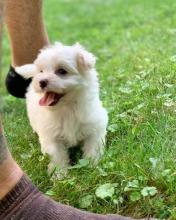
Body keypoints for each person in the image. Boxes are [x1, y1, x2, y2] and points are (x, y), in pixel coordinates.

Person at [0, 1, 152, 219]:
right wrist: (59, 167)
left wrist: (93, 157)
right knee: (52, 140)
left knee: (92, 133)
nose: (42, 79)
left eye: (61, 71)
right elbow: (49, 139)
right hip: (46, 121)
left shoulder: (91, 112)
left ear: (86, 72)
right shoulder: (40, 100)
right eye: (40, 71)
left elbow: (97, 130)